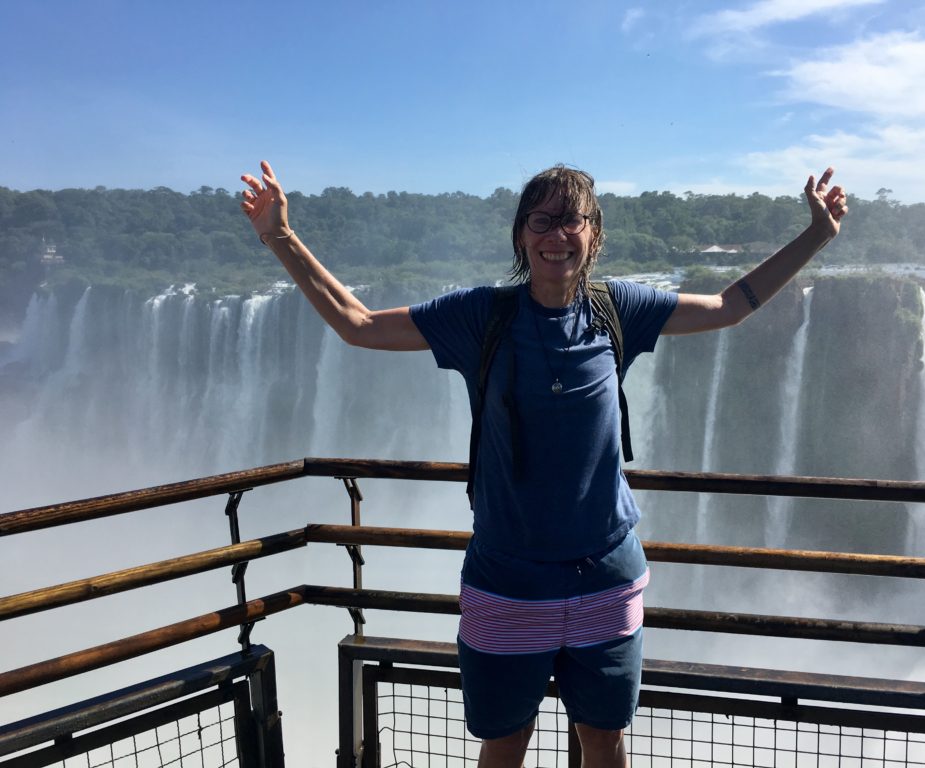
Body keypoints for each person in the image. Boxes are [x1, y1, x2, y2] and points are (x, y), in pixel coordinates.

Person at [240, 160, 847, 768]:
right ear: (521, 234)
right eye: (542, 220)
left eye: (571, 220)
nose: (557, 234)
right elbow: (359, 324)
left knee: (605, 743)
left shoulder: (620, 310)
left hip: (605, 578)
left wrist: (815, 236)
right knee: (504, 745)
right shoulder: (482, 316)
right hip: (507, 580)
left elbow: (726, 305)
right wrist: (279, 236)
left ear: (595, 233)